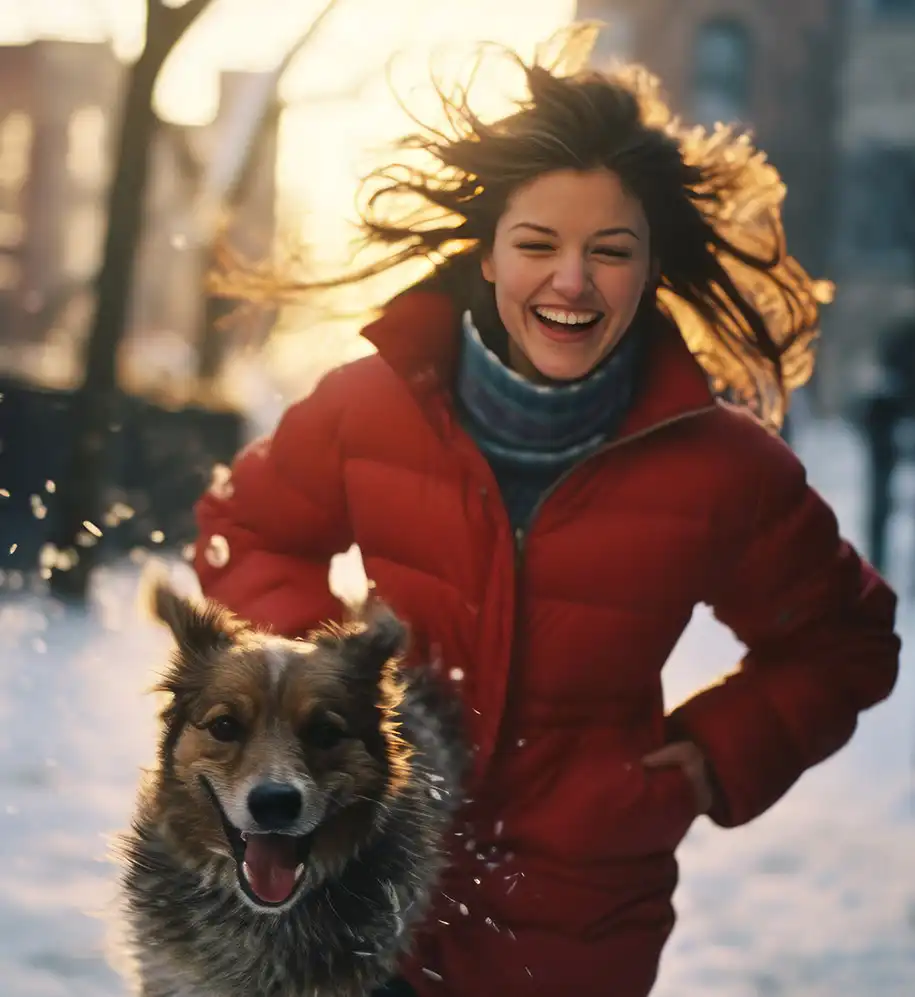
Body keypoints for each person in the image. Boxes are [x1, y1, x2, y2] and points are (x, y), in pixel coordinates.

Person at [192, 26, 900, 997]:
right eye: (538, 245)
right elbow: (252, 530)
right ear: (488, 257)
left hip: (578, 920)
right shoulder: (368, 407)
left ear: (650, 270)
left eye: (610, 252)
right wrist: (327, 687)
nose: (572, 281)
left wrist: (702, 762)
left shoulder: (724, 468)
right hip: (357, 897)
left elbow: (845, 641)